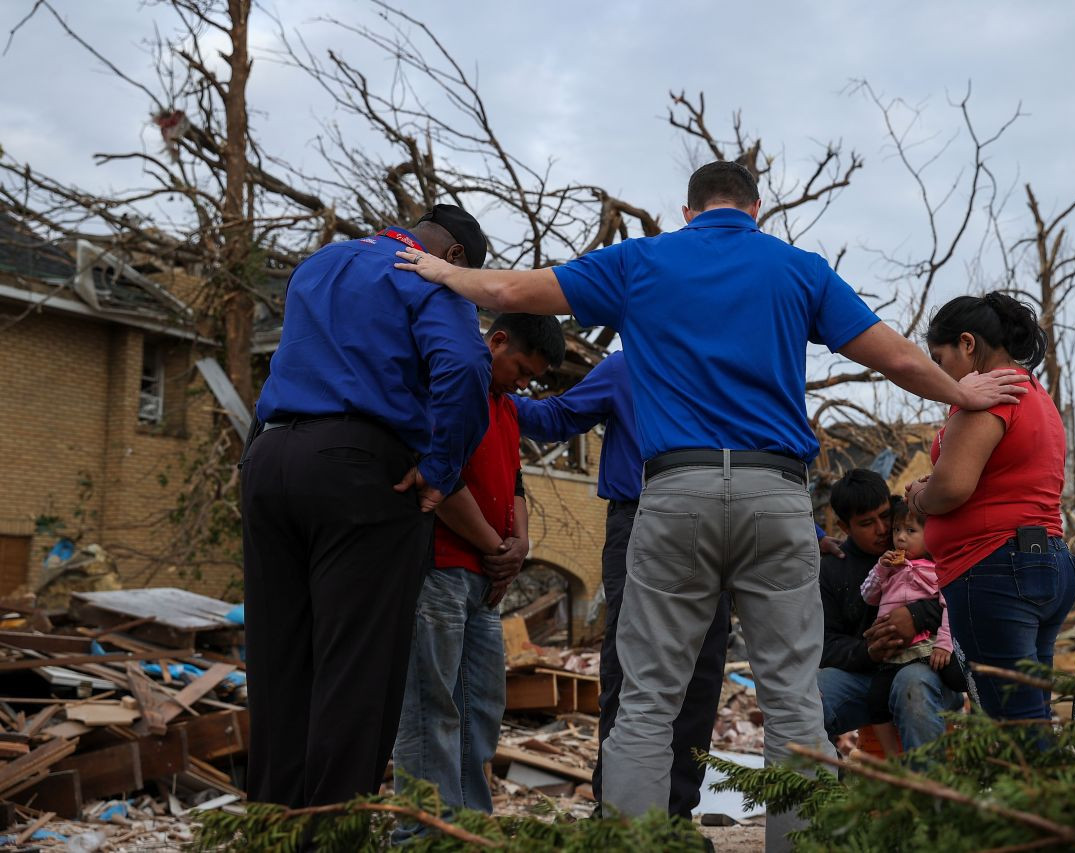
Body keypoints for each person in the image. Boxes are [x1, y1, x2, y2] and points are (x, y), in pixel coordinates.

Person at [393, 161, 1026, 850]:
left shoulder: (643, 260)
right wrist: (964, 396)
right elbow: (896, 357)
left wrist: (442, 271)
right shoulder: (798, 268)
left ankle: (632, 847)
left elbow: (516, 289)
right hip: (775, 496)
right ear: (757, 207)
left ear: (687, 211)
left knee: (645, 700)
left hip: (674, 495)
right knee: (793, 699)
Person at [241, 205, 492, 808]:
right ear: (455, 258)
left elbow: (292, 358)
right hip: (357, 468)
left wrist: (257, 456)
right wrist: (440, 467)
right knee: (356, 668)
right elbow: (462, 364)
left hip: (272, 457)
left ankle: (271, 829)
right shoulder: (427, 274)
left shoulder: (320, 263)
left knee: (279, 665)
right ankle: (327, 833)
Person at [512, 349, 731, 819]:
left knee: (701, 670)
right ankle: (617, 810)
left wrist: (807, 531)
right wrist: (489, 390)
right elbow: (558, 417)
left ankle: (674, 815)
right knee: (631, 667)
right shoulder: (628, 365)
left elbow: (761, 451)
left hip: (713, 524)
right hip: (641, 519)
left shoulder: (722, 369)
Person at [394, 313, 565, 815]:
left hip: (484, 586)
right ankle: (425, 832)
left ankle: (470, 824)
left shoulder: (507, 408)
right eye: (521, 369)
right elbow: (440, 482)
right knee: (433, 709)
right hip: (442, 572)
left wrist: (521, 544)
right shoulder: (450, 390)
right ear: (497, 341)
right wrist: (497, 549)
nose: (523, 382)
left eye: (532, 378)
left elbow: (515, 484)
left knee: (481, 709)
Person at [905, 292, 1075, 721]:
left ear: (968, 344)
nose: (940, 373)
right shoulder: (1034, 392)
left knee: (1010, 723)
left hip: (994, 570)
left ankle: (1028, 788)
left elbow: (952, 490)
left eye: (940, 359)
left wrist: (918, 497)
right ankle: (1046, 786)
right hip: (1043, 561)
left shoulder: (987, 397)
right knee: (1030, 711)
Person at [818, 470, 960, 755]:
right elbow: (824, 643)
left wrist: (917, 616)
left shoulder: (930, 545)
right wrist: (868, 651)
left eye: (886, 516)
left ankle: (927, 794)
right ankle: (823, 789)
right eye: (867, 523)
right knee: (811, 696)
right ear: (844, 528)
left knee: (913, 686)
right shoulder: (832, 570)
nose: (884, 529)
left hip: (926, 665)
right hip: (865, 676)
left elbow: (960, 598)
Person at [861, 499, 965, 755]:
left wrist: (944, 643)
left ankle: (954, 742)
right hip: (892, 652)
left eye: (910, 531)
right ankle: (894, 760)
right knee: (876, 701)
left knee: (934, 685)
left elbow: (950, 607)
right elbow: (868, 596)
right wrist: (881, 570)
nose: (900, 538)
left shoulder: (937, 570)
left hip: (924, 649)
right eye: (897, 530)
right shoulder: (891, 570)